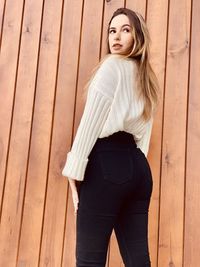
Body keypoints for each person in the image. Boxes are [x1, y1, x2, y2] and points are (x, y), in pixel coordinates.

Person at [62, 7, 159, 267]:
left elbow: (89, 124)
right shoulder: (147, 79)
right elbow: (144, 137)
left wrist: (74, 171)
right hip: (139, 169)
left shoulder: (111, 68)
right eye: (112, 31)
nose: (116, 37)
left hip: (106, 164)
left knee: (89, 261)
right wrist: (131, 170)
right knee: (138, 260)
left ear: (137, 36)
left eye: (125, 30)